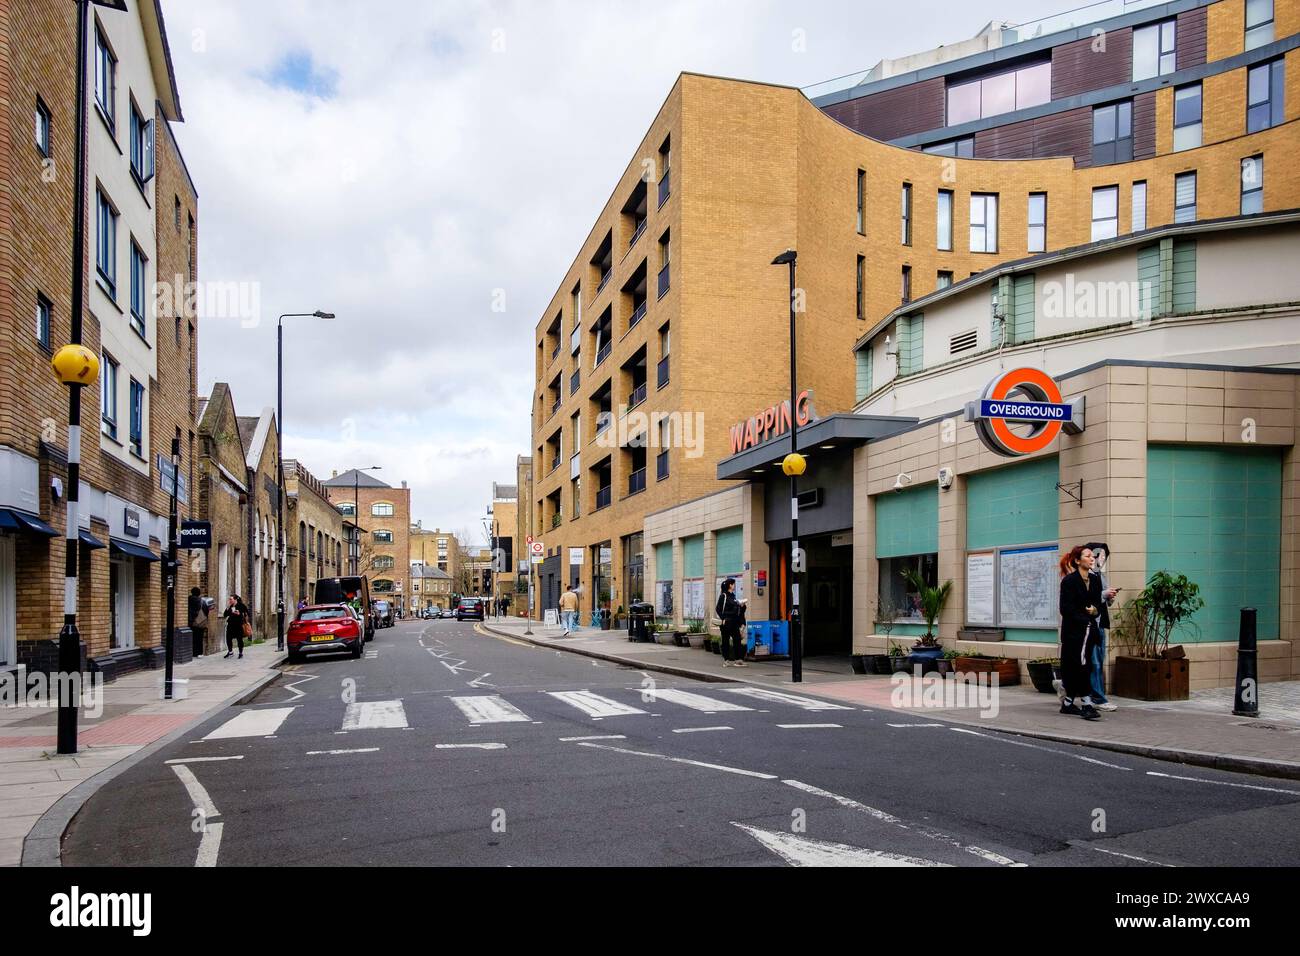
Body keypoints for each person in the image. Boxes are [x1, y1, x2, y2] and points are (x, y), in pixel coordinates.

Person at [1058, 546, 1104, 720]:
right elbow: (1065, 608)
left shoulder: (1095, 580)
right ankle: (1086, 704)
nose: (1092, 558)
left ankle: (1068, 703)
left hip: (1088, 631)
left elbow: (1097, 606)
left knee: (1081, 665)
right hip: (1074, 632)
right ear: (1078, 561)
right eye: (1088, 556)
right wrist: (1084, 618)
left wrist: (1095, 612)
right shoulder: (1069, 581)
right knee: (1079, 666)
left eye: (1093, 556)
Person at [1083, 541, 1119, 712]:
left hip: (1101, 622)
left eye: (1105, 556)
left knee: (1097, 661)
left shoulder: (1100, 575)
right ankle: (1097, 698)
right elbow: (1086, 599)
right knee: (1095, 662)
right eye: (1100, 556)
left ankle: (1068, 686)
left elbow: (1103, 600)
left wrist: (1110, 596)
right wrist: (1104, 594)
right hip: (1091, 624)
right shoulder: (1086, 575)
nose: (1103, 559)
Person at [715, 578, 747, 667]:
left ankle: (738, 660)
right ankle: (726, 660)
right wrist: (723, 618)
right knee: (725, 641)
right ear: (730, 585)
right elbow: (718, 609)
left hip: (734, 623)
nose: (734, 585)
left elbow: (736, 610)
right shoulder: (724, 596)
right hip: (726, 623)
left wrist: (742, 606)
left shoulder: (733, 596)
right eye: (733, 584)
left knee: (737, 640)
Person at [221, 594, 249, 660]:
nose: (229, 600)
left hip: (239, 625)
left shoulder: (241, 605)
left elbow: (246, 613)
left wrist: (239, 614)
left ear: (235, 599)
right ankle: (230, 652)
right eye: (229, 599)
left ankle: (240, 653)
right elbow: (225, 615)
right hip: (230, 625)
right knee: (228, 638)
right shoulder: (230, 606)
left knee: (239, 639)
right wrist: (227, 608)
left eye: (231, 599)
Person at [188, 587, 207, 657]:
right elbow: (206, 611)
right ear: (199, 593)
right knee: (199, 638)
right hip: (200, 622)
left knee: (192, 638)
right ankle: (199, 653)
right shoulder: (202, 601)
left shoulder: (188, 600)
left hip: (190, 622)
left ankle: (193, 652)